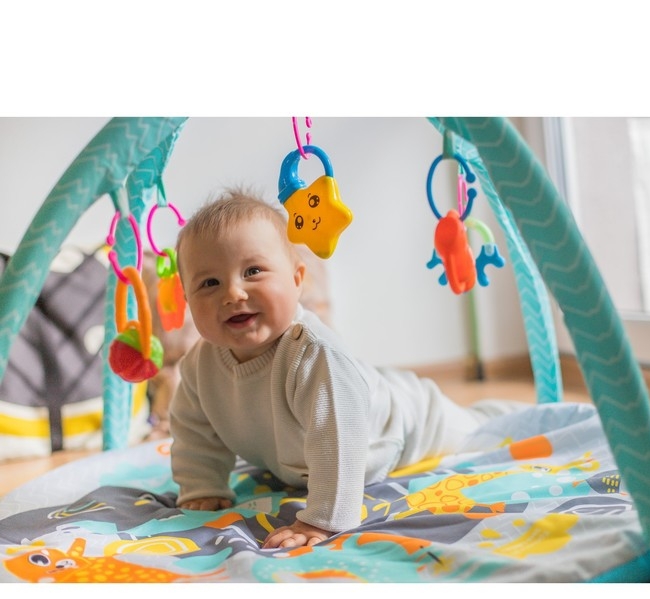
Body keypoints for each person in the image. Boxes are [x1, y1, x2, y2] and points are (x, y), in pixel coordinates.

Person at [170, 188, 525, 549]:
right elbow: (194, 431)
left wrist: (322, 519)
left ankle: (528, 412)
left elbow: (338, 440)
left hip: (409, 423)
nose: (233, 293)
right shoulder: (200, 366)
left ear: (297, 280)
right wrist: (202, 486)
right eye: (209, 283)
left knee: (485, 427)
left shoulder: (312, 352)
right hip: (335, 425)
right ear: (187, 301)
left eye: (253, 271)